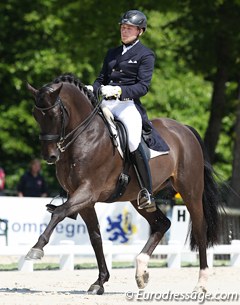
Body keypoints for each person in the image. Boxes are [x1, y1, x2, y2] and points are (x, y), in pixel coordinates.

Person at [88, 10, 156, 210]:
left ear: (140, 31)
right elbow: (101, 79)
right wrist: (93, 88)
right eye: (123, 27)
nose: (124, 31)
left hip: (127, 105)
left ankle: (147, 191)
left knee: (134, 142)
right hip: (106, 103)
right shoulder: (112, 53)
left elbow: (143, 87)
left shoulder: (145, 55)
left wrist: (119, 90)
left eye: (129, 28)